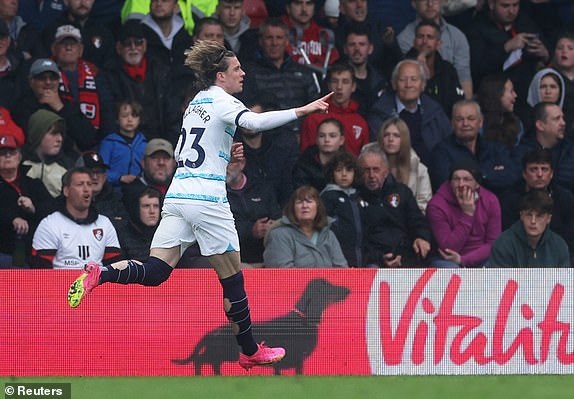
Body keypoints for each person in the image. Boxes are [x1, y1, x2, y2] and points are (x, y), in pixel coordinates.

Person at [67, 40, 332, 370]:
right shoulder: (224, 100)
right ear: (220, 76)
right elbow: (254, 123)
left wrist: (224, 155)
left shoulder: (196, 103)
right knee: (233, 280)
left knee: (157, 270)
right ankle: (249, 350)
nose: (243, 73)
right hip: (207, 200)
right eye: (237, 69)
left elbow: (185, 154)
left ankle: (102, 273)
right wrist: (304, 109)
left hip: (177, 195)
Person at [103, 20, 181, 146]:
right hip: (126, 143)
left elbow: (173, 113)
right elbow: (109, 116)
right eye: (127, 44)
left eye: (138, 42)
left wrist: (170, 145)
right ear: (119, 48)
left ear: (144, 45)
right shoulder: (109, 74)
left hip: (161, 144)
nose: (133, 48)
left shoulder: (161, 71)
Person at [30, 167, 123, 269]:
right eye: (80, 184)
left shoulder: (104, 223)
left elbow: (115, 267)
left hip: (97, 283)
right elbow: (40, 273)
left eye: (89, 184)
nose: (86, 189)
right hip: (60, 283)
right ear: (66, 191)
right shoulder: (49, 225)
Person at [357, 144, 432, 268]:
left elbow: (417, 221)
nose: (371, 175)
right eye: (366, 170)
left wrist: (421, 237)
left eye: (376, 169)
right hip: (373, 260)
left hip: (406, 255)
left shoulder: (402, 192)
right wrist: (379, 257)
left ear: (385, 172)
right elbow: (357, 240)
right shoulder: (354, 198)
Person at [367, 59, 451, 166]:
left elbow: (448, 145)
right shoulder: (380, 113)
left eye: (414, 79)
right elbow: (377, 151)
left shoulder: (435, 111)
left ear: (423, 84)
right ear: (394, 84)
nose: (408, 85)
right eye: (402, 80)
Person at [498, 148, 574, 263]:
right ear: (524, 173)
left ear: (552, 173)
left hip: (558, 257)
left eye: (544, 169)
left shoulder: (565, 198)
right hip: (519, 258)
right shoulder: (510, 199)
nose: (539, 174)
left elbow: (570, 238)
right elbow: (507, 235)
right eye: (534, 169)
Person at [429, 99, 521, 194]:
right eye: (459, 119)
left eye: (471, 119)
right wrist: (491, 174)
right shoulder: (441, 152)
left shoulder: (496, 149)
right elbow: (445, 187)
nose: (465, 124)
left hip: (494, 206)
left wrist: (478, 176)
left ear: (480, 122)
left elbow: (511, 176)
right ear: (452, 124)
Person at [11, 58, 98, 154]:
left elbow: (88, 140)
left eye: (53, 78)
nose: (48, 82)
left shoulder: (68, 105)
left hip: (66, 162)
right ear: (31, 81)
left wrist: (60, 108)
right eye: (42, 78)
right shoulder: (20, 107)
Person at [426, 160, 501, 268]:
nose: (461, 184)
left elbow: (494, 244)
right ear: (450, 182)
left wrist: (463, 260)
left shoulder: (490, 200)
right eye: (456, 179)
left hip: (480, 257)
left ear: (477, 184)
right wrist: (467, 214)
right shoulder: (437, 205)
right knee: (450, 270)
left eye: (467, 179)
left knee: (497, 266)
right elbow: (448, 248)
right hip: (447, 259)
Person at [397, 0, 473, 98]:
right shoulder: (404, 38)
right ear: (413, 3)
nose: (430, 4)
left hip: (449, 101)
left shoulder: (457, 36)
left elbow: (463, 77)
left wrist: (466, 109)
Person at [0, 134, 55, 268]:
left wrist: (33, 208)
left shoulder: (33, 184)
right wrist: (11, 218)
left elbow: (53, 211)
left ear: (19, 157)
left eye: (12, 152)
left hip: (33, 253)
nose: (7, 156)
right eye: (2, 153)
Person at [49, 24, 115, 134]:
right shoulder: (45, 73)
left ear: (81, 49)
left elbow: (107, 110)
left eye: (73, 44)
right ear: (54, 49)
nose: (68, 47)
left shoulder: (95, 73)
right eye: (63, 43)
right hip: (57, 134)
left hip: (93, 138)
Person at [263, 184, 348, 268]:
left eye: (309, 201)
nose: (305, 206)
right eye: (299, 202)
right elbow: (283, 274)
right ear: (292, 208)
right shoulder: (279, 235)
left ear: (318, 207)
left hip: (329, 282)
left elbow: (342, 270)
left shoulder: (329, 235)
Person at [299, 61, 369, 156]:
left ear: (353, 87)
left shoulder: (360, 122)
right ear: (329, 86)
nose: (339, 87)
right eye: (335, 81)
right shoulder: (313, 119)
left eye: (345, 82)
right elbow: (307, 158)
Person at [488, 189, 570, 268]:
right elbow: (501, 281)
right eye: (529, 215)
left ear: (548, 218)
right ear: (521, 216)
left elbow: (562, 281)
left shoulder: (559, 246)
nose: (533, 221)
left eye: (539, 216)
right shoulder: (503, 244)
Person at [227, 155, 282, 266]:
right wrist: (250, 230)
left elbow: (278, 217)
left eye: (230, 163)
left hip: (268, 257)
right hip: (234, 262)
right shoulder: (216, 193)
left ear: (242, 164)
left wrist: (270, 226)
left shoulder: (263, 187)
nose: (225, 167)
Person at [405, 19, 464, 117]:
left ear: (438, 44)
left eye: (430, 37)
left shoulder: (448, 70)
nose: (424, 41)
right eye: (420, 36)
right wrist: (421, 76)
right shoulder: (402, 68)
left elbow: (457, 103)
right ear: (414, 42)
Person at [375, 116, 432, 213]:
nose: (390, 139)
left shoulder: (419, 169)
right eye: (386, 135)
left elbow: (423, 204)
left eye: (396, 135)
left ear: (404, 139)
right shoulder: (369, 163)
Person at [42, 0, 116, 68]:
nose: (83, 2)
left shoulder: (104, 33)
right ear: (66, 1)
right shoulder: (52, 31)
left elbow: (110, 68)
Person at [320, 150, 363, 267]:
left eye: (348, 170)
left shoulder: (359, 196)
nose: (344, 174)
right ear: (332, 173)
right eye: (339, 170)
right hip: (337, 255)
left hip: (360, 255)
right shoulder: (328, 196)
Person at [21, 109, 75, 198]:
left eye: (61, 134)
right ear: (38, 134)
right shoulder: (19, 162)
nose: (60, 139)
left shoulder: (69, 166)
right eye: (54, 134)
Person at [342, 22, 389, 117]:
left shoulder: (381, 80)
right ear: (345, 49)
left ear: (370, 48)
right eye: (352, 45)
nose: (357, 49)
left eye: (362, 44)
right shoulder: (337, 80)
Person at [98, 99, 147, 190]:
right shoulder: (109, 143)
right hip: (113, 190)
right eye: (125, 116)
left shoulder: (144, 143)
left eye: (134, 116)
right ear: (117, 119)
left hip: (138, 190)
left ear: (139, 120)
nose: (129, 119)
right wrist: (119, 178)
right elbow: (100, 171)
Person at [75, 151, 129, 227]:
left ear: (105, 176)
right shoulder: (69, 202)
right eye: (90, 172)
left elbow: (124, 226)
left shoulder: (115, 199)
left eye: (99, 172)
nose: (95, 177)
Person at [292, 117, 345, 191]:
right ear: (316, 139)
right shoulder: (304, 164)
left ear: (341, 140)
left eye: (332, 136)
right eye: (322, 136)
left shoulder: (348, 164)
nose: (327, 140)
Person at [476, 73, 523, 149]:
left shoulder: (516, 123)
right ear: (497, 93)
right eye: (511, 91)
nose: (515, 95)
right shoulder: (476, 123)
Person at [140, 0, 193, 67]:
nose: (158, 4)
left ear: (176, 6)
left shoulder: (184, 36)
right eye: (154, 0)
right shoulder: (139, 36)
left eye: (165, 0)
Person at [115, 186, 162, 262]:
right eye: (146, 206)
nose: (152, 211)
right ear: (136, 209)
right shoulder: (121, 236)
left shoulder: (167, 234)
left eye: (156, 206)